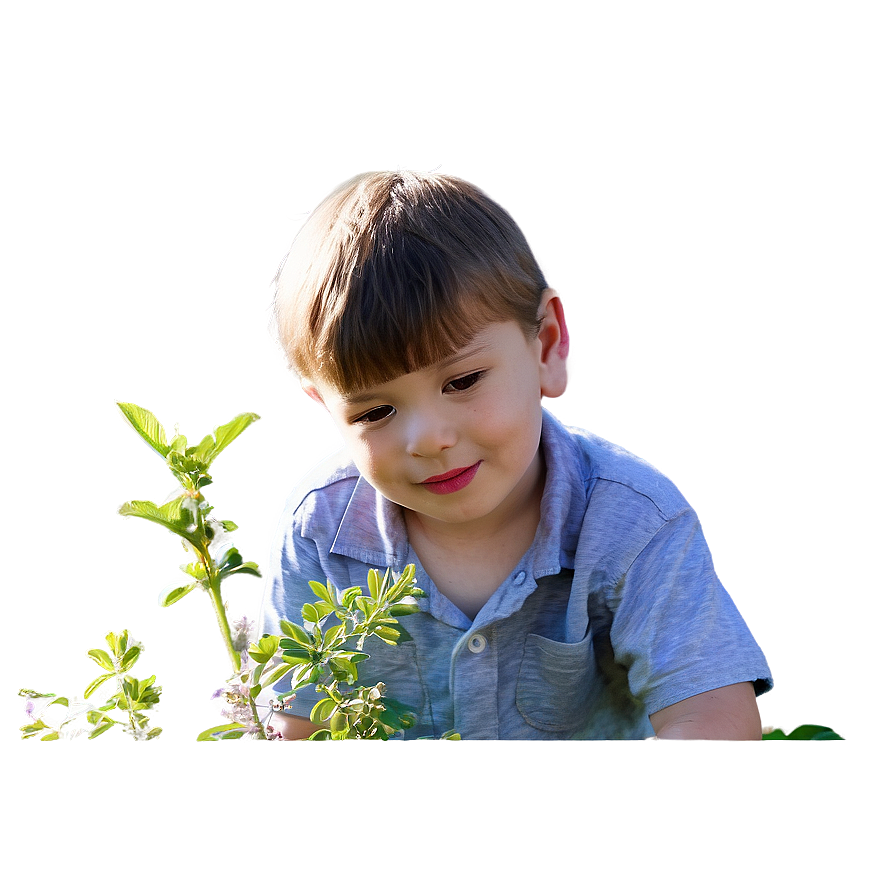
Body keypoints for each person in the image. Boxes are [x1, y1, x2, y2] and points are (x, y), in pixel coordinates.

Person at [260, 168, 773, 740]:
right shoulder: (321, 531)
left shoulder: (631, 521)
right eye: (373, 413)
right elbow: (296, 729)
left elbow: (710, 714)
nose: (428, 439)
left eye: (463, 381)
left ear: (547, 345)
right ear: (327, 413)